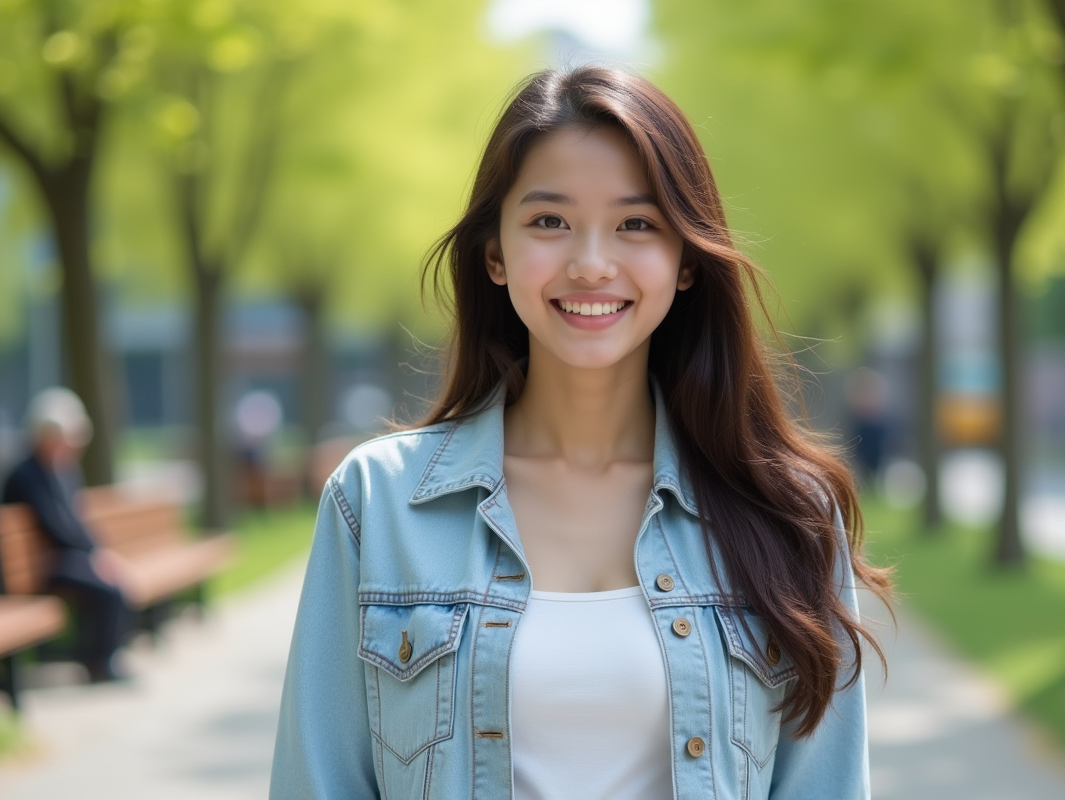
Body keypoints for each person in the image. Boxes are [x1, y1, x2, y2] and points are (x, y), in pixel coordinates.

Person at [271, 67, 890, 799]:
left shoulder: (787, 511)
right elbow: (319, 782)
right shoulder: (377, 504)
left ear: (685, 260)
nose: (591, 264)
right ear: (494, 254)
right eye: (549, 222)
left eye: (636, 223)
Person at [1, 387, 133, 683]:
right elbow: (55, 525)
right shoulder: (26, 474)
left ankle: (104, 658)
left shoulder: (60, 469)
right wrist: (93, 556)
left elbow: (74, 521)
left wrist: (99, 552)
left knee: (115, 582)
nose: (72, 444)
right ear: (46, 435)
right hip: (40, 567)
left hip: (58, 559)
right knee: (109, 589)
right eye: (66, 436)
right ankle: (100, 663)